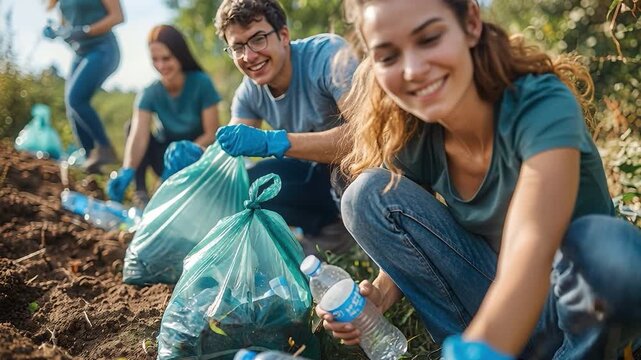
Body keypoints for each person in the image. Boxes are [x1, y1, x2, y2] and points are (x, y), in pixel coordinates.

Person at [319, 0, 641, 359]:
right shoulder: (415, 131)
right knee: (366, 196)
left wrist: (481, 350)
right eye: (388, 56)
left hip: (573, 305)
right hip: (494, 299)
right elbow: (412, 234)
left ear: (471, 22)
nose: (412, 70)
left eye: (429, 39)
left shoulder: (541, 104)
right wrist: (379, 294)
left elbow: (531, 247)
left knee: (608, 248)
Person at [202, 0, 358, 255]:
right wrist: (199, 163)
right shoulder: (248, 93)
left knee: (348, 177)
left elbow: (366, 136)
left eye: (258, 39)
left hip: (359, 171)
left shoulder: (327, 56)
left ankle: (368, 236)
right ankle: (327, 238)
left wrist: (275, 142)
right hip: (318, 181)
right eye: (238, 47)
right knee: (246, 184)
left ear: (283, 35)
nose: (249, 56)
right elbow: (227, 156)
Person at [106, 24, 221, 207]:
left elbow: (212, 133)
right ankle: (141, 194)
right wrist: (127, 169)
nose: (161, 66)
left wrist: (186, 153)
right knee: (130, 126)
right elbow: (138, 135)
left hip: (198, 158)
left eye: (166, 58)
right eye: (155, 59)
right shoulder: (150, 92)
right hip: (165, 161)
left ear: (179, 55)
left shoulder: (201, 83)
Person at [43, 0, 123, 173]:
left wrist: (86, 31)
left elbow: (117, 16)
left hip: (103, 48)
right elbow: (68, 29)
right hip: (80, 52)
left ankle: (104, 148)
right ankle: (91, 162)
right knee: (71, 106)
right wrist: (58, 32)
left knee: (76, 98)